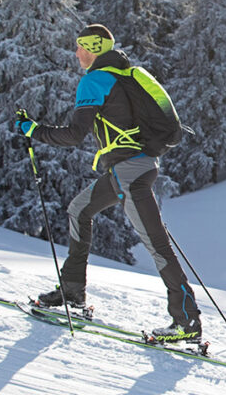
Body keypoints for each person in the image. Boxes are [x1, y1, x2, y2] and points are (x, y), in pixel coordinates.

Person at [13, 23, 203, 343]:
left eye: (81, 47)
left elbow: (74, 135)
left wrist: (33, 130)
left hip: (131, 174)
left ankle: (187, 322)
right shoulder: (122, 76)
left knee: (157, 247)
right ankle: (72, 292)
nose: (76, 53)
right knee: (79, 210)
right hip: (126, 171)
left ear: (95, 48)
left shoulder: (96, 80)